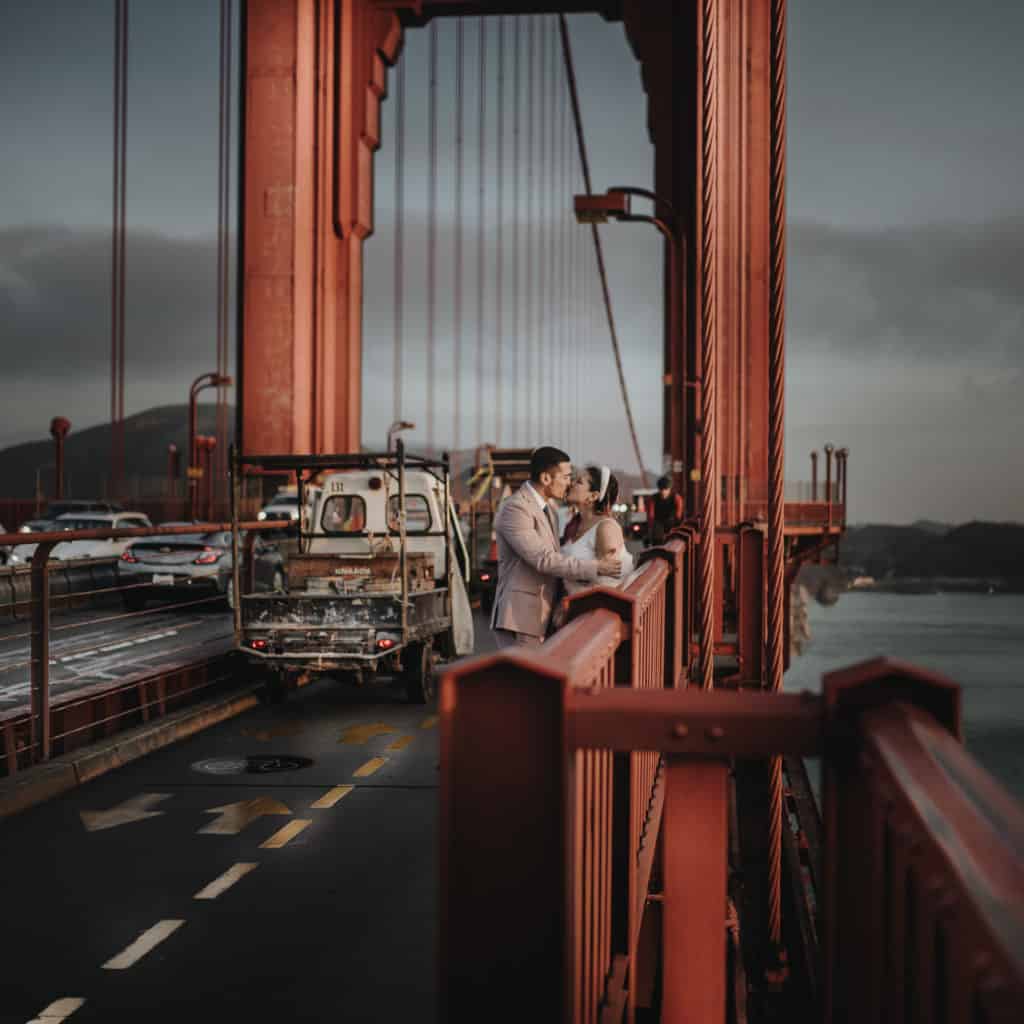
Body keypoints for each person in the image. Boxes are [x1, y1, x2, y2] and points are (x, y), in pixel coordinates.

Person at [491, 446, 622, 648]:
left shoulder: (550, 511)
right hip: (520, 618)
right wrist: (596, 567)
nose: (569, 483)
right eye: (566, 477)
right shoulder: (516, 508)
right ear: (546, 478)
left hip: (542, 617)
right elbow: (543, 559)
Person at [561, 466, 635, 597]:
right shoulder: (574, 525)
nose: (571, 483)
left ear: (593, 496)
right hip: (574, 604)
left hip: (596, 606)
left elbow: (608, 579)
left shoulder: (606, 528)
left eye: (579, 482)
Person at [647, 475, 684, 546]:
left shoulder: (676, 498)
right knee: (657, 536)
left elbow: (678, 515)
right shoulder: (653, 499)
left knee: (673, 537)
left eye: (665, 489)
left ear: (669, 489)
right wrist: (650, 529)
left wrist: (677, 528)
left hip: (672, 522)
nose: (663, 492)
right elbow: (651, 515)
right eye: (661, 489)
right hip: (658, 522)